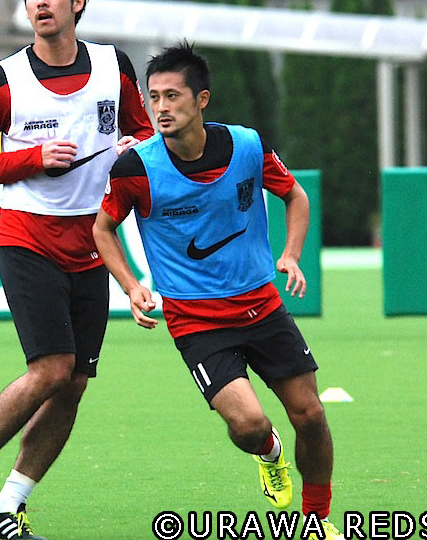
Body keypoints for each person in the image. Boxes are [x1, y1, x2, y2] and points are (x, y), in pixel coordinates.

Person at [93, 42, 343, 540]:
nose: (161, 108)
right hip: (196, 321)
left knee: (311, 415)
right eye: (154, 97)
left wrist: (291, 254)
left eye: (172, 96)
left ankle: (317, 521)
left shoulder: (247, 146)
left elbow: (294, 195)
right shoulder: (135, 167)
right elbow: (102, 229)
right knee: (250, 426)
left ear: (201, 99)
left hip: (262, 306)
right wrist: (131, 286)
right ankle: (269, 453)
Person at [0, 0, 153, 539]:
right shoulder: (3, 78)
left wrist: (134, 148)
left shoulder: (114, 66)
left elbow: (143, 130)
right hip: (28, 238)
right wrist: (33, 158)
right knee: (51, 369)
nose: (40, 1)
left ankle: (9, 506)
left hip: (92, 243)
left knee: (74, 383)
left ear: (77, 3)